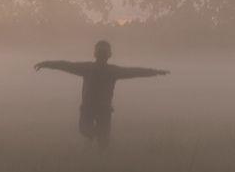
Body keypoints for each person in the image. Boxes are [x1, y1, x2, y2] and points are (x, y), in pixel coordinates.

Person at [34, 40, 169, 148]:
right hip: (97, 108)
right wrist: (155, 72)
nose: (102, 54)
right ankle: (98, 137)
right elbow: (135, 72)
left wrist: (45, 63)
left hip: (97, 108)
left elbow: (65, 65)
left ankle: (97, 140)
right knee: (96, 137)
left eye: (102, 52)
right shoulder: (106, 70)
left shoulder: (91, 68)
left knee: (92, 135)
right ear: (109, 55)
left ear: (96, 54)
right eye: (102, 52)